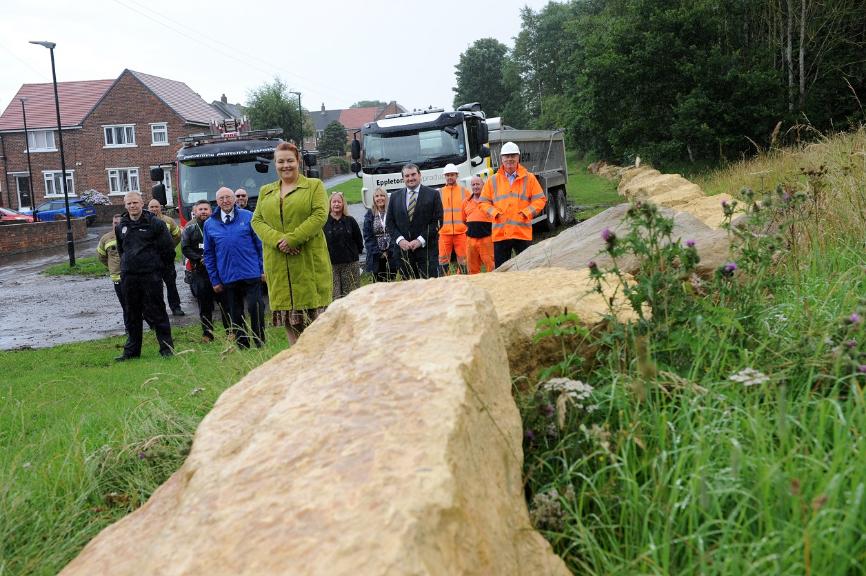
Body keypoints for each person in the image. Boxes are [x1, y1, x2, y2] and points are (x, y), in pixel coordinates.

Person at [252, 141, 332, 345]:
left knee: (317, 326)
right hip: (279, 267)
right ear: (275, 164)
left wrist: (293, 238)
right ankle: (299, 368)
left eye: (289, 160)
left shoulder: (314, 186)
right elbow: (257, 220)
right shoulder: (265, 191)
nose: (285, 165)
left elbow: (320, 215)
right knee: (292, 328)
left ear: (298, 161)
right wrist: (280, 241)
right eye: (280, 161)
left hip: (308, 264)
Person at [203, 187, 266, 349]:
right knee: (235, 313)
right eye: (221, 198)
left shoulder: (248, 217)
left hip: (251, 273)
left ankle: (259, 341)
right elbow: (209, 254)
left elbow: (260, 246)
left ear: (234, 199)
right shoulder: (210, 224)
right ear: (216, 202)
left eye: (228, 197)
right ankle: (242, 344)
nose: (225, 201)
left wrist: (263, 269)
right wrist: (214, 280)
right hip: (228, 276)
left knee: (255, 307)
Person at [115, 191, 175, 360]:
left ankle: (167, 349)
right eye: (129, 204)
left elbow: (168, 249)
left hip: (151, 276)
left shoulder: (155, 223)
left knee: (158, 312)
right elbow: (122, 250)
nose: (132, 206)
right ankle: (132, 352)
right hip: (130, 277)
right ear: (125, 205)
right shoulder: (121, 226)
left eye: (135, 203)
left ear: (142, 203)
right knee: (132, 314)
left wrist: (159, 268)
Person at [478, 141, 546, 268]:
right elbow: (483, 202)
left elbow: (540, 200)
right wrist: (495, 213)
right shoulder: (492, 180)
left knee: (527, 269)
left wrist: (526, 213)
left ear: (518, 157)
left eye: (513, 156)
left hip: (522, 232)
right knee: (502, 272)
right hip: (501, 234)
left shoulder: (529, 178)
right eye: (506, 156)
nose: (510, 159)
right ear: (501, 159)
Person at [386, 163, 443, 279]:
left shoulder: (433, 194)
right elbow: (389, 223)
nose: (410, 178)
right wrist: (400, 240)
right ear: (403, 178)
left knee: (429, 290)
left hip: (427, 252)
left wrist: (420, 240)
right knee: (409, 292)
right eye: (407, 176)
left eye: (413, 174)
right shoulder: (394, 197)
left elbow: (438, 221)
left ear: (419, 175)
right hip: (404, 254)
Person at [181, 200, 220, 342]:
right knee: (204, 305)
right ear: (195, 212)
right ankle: (208, 334)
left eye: (206, 209)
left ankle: (231, 331)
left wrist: (211, 258)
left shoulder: (218, 226)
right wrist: (199, 258)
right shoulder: (190, 229)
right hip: (200, 271)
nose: (203, 212)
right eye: (200, 209)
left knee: (225, 302)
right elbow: (185, 248)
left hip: (218, 270)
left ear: (211, 211)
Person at [147, 198, 185, 316]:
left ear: (160, 208)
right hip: (151, 260)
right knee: (153, 287)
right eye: (151, 207)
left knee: (171, 284)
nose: (154, 209)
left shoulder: (168, 221)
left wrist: (170, 248)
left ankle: (175, 307)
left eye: (156, 207)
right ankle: (157, 310)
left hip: (166, 259)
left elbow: (177, 235)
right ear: (148, 209)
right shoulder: (145, 221)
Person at [324, 191, 364, 298]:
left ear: (343, 204)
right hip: (331, 266)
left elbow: (359, 240)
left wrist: (355, 255)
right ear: (330, 204)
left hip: (350, 264)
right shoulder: (324, 223)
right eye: (334, 202)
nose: (336, 204)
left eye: (339, 202)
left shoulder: (350, 221)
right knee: (334, 297)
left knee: (350, 296)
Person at [96, 213, 129, 332]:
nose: (117, 226)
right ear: (112, 224)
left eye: (119, 223)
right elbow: (101, 256)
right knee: (125, 305)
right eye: (115, 223)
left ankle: (151, 323)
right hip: (118, 277)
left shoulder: (130, 235)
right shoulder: (106, 239)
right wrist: (111, 266)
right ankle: (129, 329)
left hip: (132, 275)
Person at [438, 164, 469, 275]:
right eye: (447, 175)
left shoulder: (464, 191)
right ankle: (444, 282)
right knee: (442, 259)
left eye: (452, 175)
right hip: (444, 233)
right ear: (444, 176)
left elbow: (469, 210)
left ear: (457, 175)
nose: (450, 177)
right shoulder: (439, 192)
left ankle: (462, 280)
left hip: (461, 232)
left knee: (463, 259)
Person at [462, 175, 495, 274]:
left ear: (483, 185)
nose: (475, 187)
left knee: (492, 267)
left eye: (478, 184)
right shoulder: (466, 202)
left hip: (487, 239)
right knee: (472, 268)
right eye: (473, 185)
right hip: (471, 240)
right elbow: (464, 220)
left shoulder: (490, 200)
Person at [363, 187, 397, 282]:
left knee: (392, 286)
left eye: (382, 195)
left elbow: (397, 232)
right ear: (374, 199)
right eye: (377, 196)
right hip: (376, 257)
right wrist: (380, 252)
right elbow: (367, 237)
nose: (379, 198)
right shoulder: (369, 215)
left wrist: (389, 251)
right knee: (378, 287)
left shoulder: (392, 212)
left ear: (386, 197)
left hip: (391, 255)